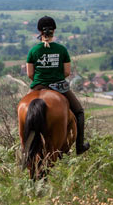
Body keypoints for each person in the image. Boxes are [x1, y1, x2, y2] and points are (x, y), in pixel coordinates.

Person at [26, 16, 89, 154]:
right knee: (79, 112)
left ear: (39, 31)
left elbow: (30, 74)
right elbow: (67, 72)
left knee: (25, 112)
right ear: (53, 31)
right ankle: (79, 147)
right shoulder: (62, 50)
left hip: (38, 86)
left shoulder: (33, 51)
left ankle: (23, 147)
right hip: (59, 86)